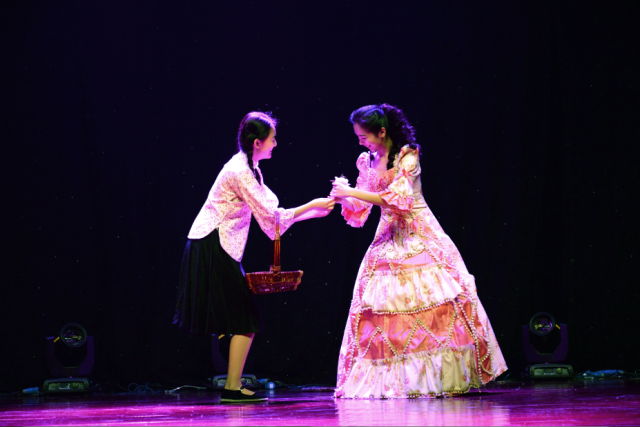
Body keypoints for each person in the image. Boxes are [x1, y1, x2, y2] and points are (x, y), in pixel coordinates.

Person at [330, 104, 507, 398]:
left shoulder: (407, 156)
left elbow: (399, 200)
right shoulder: (368, 160)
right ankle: (398, 382)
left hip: (417, 232)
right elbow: (362, 206)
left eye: (364, 136)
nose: (361, 142)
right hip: (387, 236)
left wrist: (353, 193)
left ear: (382, 132)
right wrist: (344, 198)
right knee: (382, 307)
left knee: (435, 300)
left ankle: (439, 378)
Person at [174, 111, 335, 403]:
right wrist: (310, 206)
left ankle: (232, 387)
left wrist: (312, 213)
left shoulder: (252, 168)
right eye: (273, 140)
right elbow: (271, 217)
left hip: (220, 245)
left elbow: (272, 214)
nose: (276, 144)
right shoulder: (240, 171)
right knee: (246, 317)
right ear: (257, 142)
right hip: (213, 244)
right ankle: (232, 388)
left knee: (244, 318)